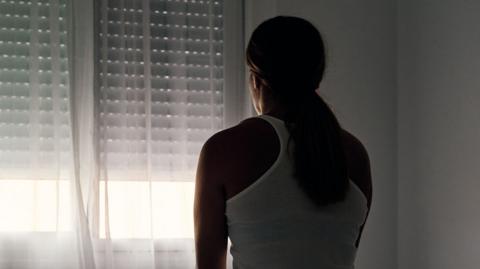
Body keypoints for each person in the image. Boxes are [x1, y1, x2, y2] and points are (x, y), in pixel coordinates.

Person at [194, 16, 372, 269]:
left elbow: (208, 265)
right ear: (317, 79)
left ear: (255, 79)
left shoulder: (223, 150)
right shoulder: (355, 154)